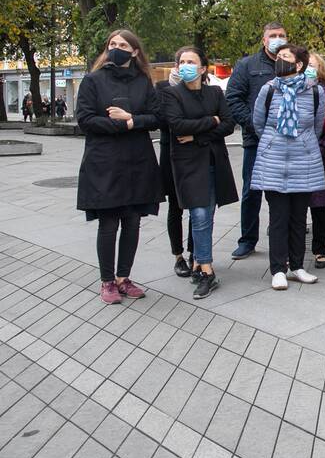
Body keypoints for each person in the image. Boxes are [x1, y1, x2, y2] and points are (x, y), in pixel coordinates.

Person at [76, 29, 163, 304]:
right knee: (109, 222)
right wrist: (121, 124)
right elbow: (86, 119)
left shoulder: (143, 81)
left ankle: (124, 278)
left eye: (123, 44)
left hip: (137, 161)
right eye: (112, 44)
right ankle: (107, 281)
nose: (116, 48)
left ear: (134, 51)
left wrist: (131, 120)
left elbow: (157, 117)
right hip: (105, 162)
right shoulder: (93, 80)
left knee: (133, 221)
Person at [160, 46, 238, 301]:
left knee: (206, 216)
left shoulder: (215, 92)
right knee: (200, 214)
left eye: (191, 61)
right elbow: (176, 125)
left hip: (213, 162)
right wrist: (211, 121)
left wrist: (196, 134)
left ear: (203, 68)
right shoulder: (171, 94)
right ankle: (207, 270)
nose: (185, 65)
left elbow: (228, 124)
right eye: (181, 61)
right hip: (187, 165)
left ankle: (197, 263)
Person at [251, 43, 325, 290]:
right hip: (273, 161)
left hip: (304, 161)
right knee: (278, 217)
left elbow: (317, 125)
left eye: (285, 57)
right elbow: (259, 123)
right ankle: (278, 269)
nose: (279, 60)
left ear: (298, 65)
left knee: (298, 218)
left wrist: (302, 143)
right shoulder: (269, 89)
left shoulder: (314, 92)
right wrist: (275, 142)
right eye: (279, 56)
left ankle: (297, 266)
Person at [226, 22, 288, 260]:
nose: (277, 39)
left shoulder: (293, 63)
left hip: (286, 141)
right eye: (273, 35)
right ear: (264, 40)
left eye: (281, 35)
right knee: (252, 191)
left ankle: (279, 237)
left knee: (282, 192)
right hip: (257, 140)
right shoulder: (247, 65)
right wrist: (254, 124)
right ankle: (248, 240)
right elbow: (233, 98)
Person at [155, 67, 193, 278]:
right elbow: (161, 119)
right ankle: (178, 255)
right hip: (170, 151)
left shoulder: (199, 87)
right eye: (182, 62)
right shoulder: (161, 87)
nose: (185, 67)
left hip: (194, 152)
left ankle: (195, 252)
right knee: (175, 207)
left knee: (197, 207)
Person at [306, 54, 325, 269]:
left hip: (320, 157)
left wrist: (323, 145)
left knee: (319, 207)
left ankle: (320, 250)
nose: (308, 69)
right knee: (295, 209)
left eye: (312, 65)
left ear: (320, 70)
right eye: (304, 65)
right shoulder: (291, 92)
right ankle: (294, 248)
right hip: (297, 158)